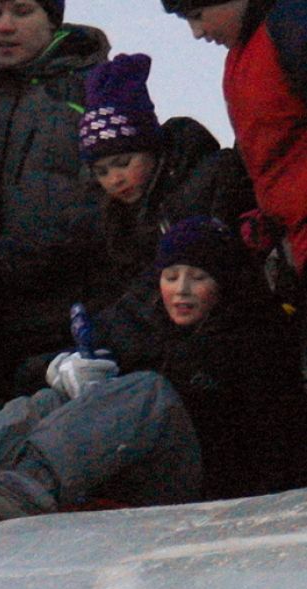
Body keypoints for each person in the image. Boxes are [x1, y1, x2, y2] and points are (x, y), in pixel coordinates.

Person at [0, 216, 307, 539]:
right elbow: (40, 369)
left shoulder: (254, 336)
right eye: (171, 276)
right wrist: (62, 370)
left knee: (150, 390)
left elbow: (259, 436)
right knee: (43, 402)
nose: (182, 290)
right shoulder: (144, 322)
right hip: (126, 468)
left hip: (210, 484)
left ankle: (33, 482)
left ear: (224, 283)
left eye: (198, 278)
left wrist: (126, 393)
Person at [0, 0, 110, 394]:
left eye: (22, 12)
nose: (4, 26)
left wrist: (15, 259)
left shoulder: (94, 91)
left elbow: (109, 206)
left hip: (64, 326)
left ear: (53, 19)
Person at [76, 53, 253, 370]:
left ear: (151, 150)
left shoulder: (197, 187)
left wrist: (102, 337)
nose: (115, 179)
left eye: (123, 163)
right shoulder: (119, 219)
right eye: (102, 171)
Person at [159, 1, 307, 319]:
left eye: (197, 15)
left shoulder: (292, 27)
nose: (197, 32)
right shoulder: (242, 56)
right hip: (291, 239)